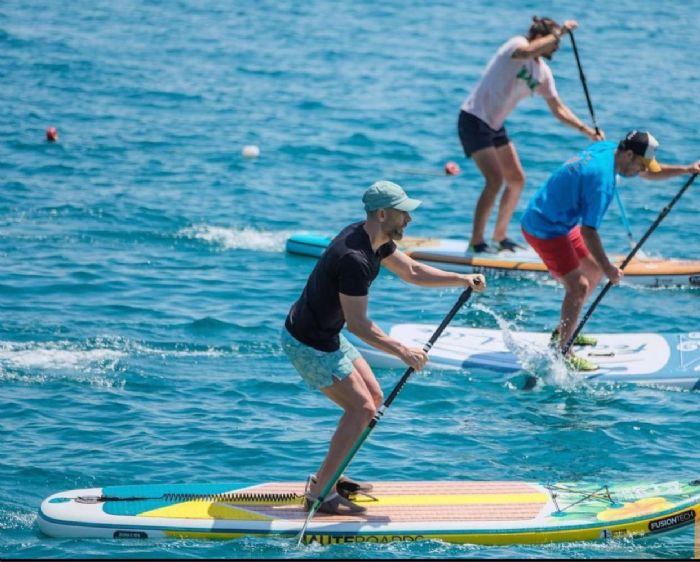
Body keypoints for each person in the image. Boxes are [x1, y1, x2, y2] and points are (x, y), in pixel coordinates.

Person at [282, 180, 486, 515]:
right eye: (403, 213)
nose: (409, 220)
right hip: (308, 343)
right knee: (361, 409)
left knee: (373, 400)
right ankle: (320, 494)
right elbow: (359, 325)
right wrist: (402, 351)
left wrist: (461, 279)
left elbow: (414, 271)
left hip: (326, 336)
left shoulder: (374, 240)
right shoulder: (354, 258)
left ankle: (329, 476)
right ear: (382, 213)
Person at [521, 131, 700, 371]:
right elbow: (589, 231)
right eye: (639, 165)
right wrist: (610, 269)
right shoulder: (602, 182)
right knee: (579, 285)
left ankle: (563, 332)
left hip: (560, 220)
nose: (640, 172)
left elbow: (648, 172)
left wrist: (686, 169)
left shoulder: (608, 149)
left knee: (592, 271)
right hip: (545, 227)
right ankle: (563, 351)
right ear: (627, 154)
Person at [458, 16, 605, 254]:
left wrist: (587, 131)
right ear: (541, 37)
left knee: (516, 179)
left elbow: (558, 109)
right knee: (494, 180)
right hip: (474, 118)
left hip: (495, 125)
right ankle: (476, 242)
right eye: (554, 40)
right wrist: (560, 32)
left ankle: (500, 237)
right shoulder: (516, 45)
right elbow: (526, 52)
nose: (557, 46)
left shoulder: (543, 73)